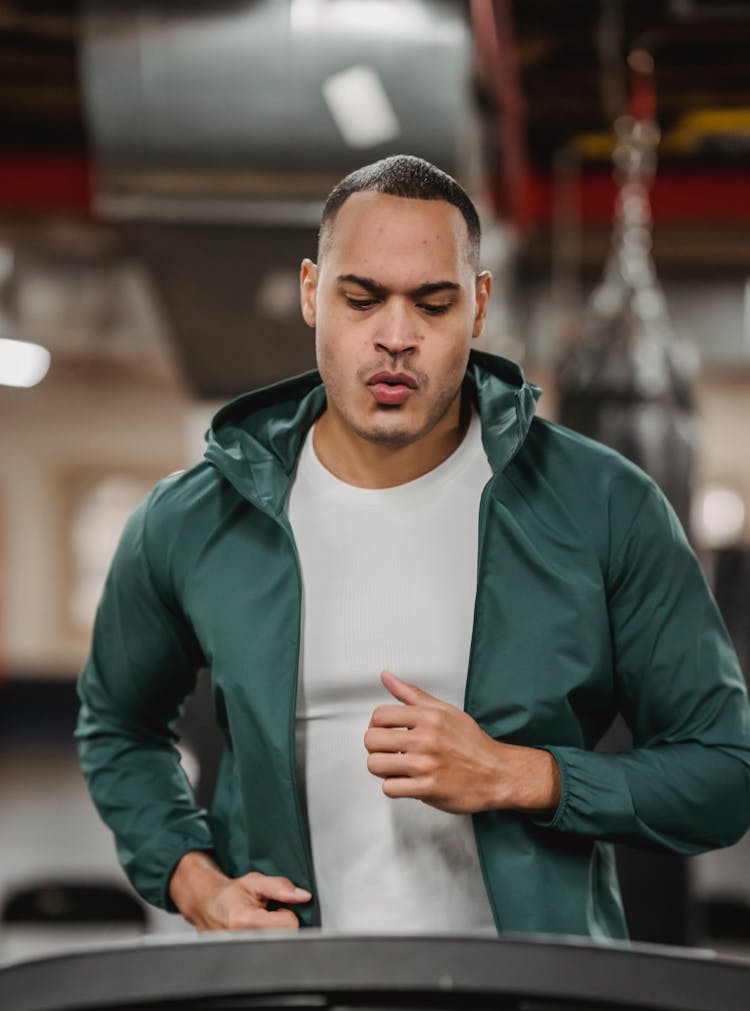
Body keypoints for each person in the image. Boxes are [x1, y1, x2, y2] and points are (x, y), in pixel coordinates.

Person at [77, 154, 750, 940]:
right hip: (290, 999)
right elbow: (118, 726)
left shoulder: (602, 505)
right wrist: (193, 879)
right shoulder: (193, 520)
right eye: (361, 299)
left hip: (530, 1008)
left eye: (433, 304)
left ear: (479, 305)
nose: (395, 338)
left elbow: (723, 773)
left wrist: (523, 774)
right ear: (309, 293)